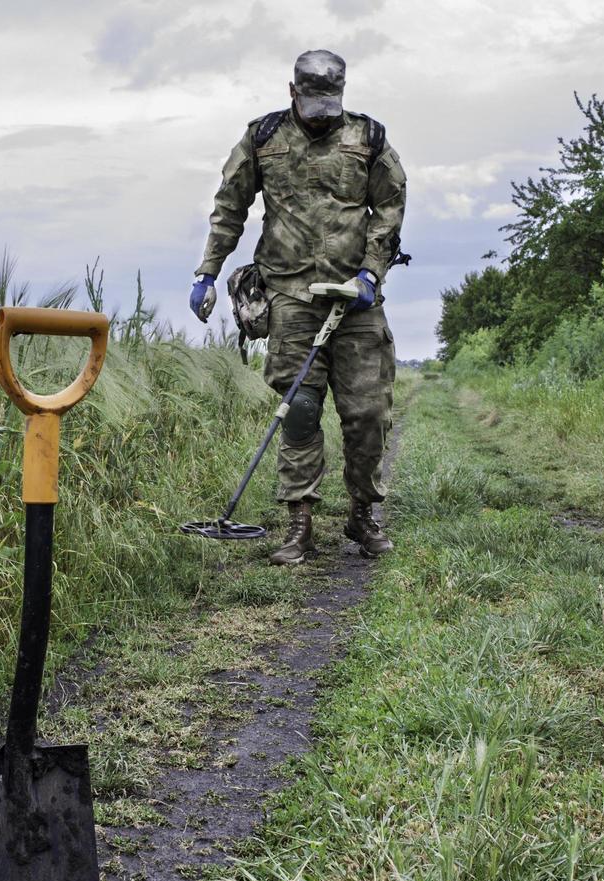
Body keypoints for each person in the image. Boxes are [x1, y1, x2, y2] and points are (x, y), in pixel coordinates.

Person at [190, 49, 407, 565]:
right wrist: (208, 272)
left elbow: (391, 205)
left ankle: (362, 514)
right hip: (290, 295)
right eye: (313, 103)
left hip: (356, 301)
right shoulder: (263, 138)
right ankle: (299, 523)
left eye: (331, 103)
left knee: (368, 413)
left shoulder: (369, 138)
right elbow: (229, 207)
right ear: (292, 93)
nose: (322, 113)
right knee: (300, 411)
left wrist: (372, 270)